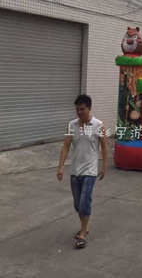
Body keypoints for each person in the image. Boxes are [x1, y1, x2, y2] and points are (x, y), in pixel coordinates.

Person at [57, 94, 108, 249]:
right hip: (75, 170)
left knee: (85, 201)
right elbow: (66, 145)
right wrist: (60, 167)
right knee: (77, 204)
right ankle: (85, 227)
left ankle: (83, 233)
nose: (79, 112)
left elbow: (104, 146)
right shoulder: (72, 125)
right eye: (77, 109)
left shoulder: (98, 125)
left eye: (82, 109)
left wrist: (104, 167)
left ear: (89, 108)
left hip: (90, 171)